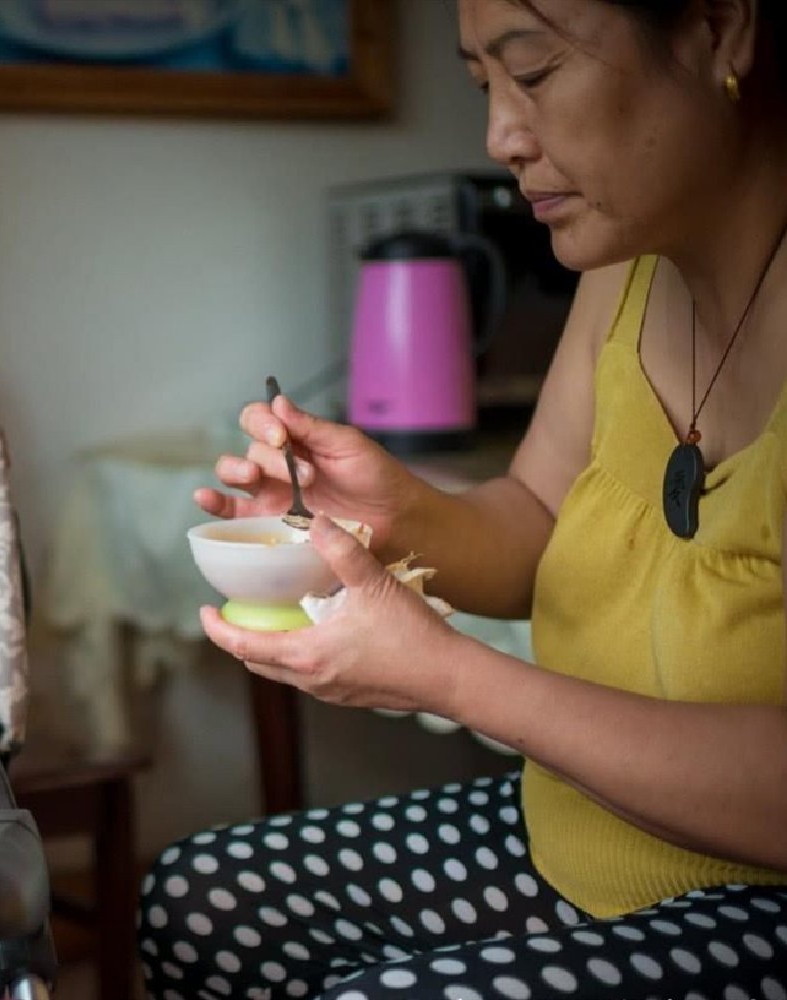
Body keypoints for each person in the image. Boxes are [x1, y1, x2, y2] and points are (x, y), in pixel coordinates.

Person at [140, 1, 787, 997]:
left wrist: (450, 676)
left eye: (533, 72)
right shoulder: (623, 275)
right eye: (483, 82)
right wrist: (389, 508)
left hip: (754, 889)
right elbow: (534, 521)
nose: (500, 137)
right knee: (199, 898)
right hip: (588, 824)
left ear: (721, 28)